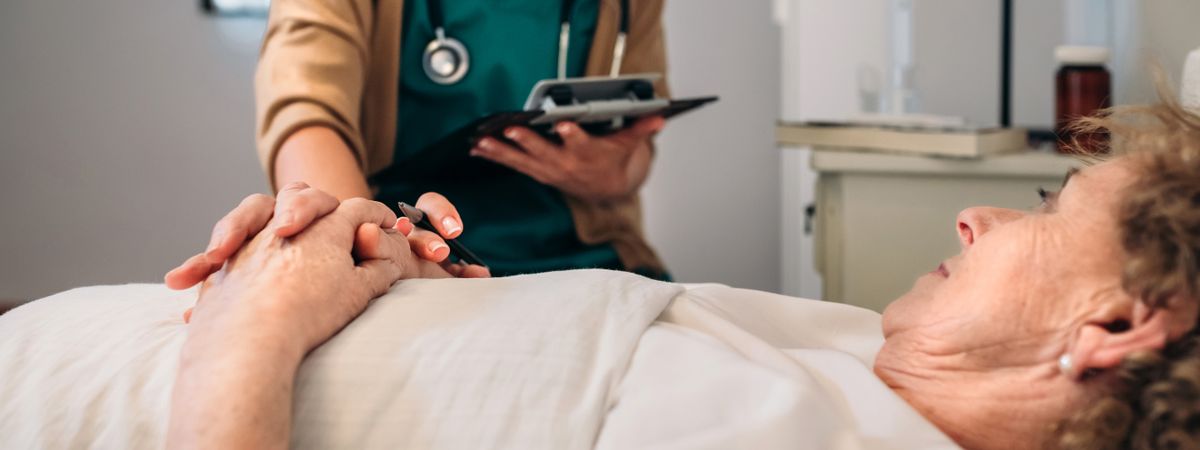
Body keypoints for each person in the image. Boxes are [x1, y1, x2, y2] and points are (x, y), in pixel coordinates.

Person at [160, 95, 1200, 448]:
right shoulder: (867, 361)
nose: (975, 216)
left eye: (1045, 209)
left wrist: (255, 327)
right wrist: (403, 277)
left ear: (1112, 327)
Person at [257, 0, 672, 280]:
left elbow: (635, 153)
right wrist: (377, 253)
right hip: (408, 252)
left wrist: (608, 172)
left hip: (593, 265)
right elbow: (304, 113)